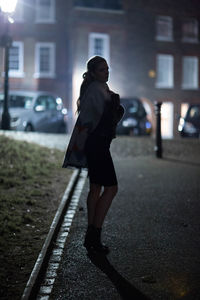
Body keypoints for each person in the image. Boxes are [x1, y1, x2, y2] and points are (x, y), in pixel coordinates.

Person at [62, 56, 124, 254]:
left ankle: (92, 236)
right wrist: (116, 106)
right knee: (111, 188)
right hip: (98, 145)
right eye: (102, 70)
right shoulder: (97, 90)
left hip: (94, 144)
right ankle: (94, 234)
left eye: (107, 69)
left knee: (96, 188)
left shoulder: (94, 89)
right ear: (93, 73)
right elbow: (107, 119)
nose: (106, 72)